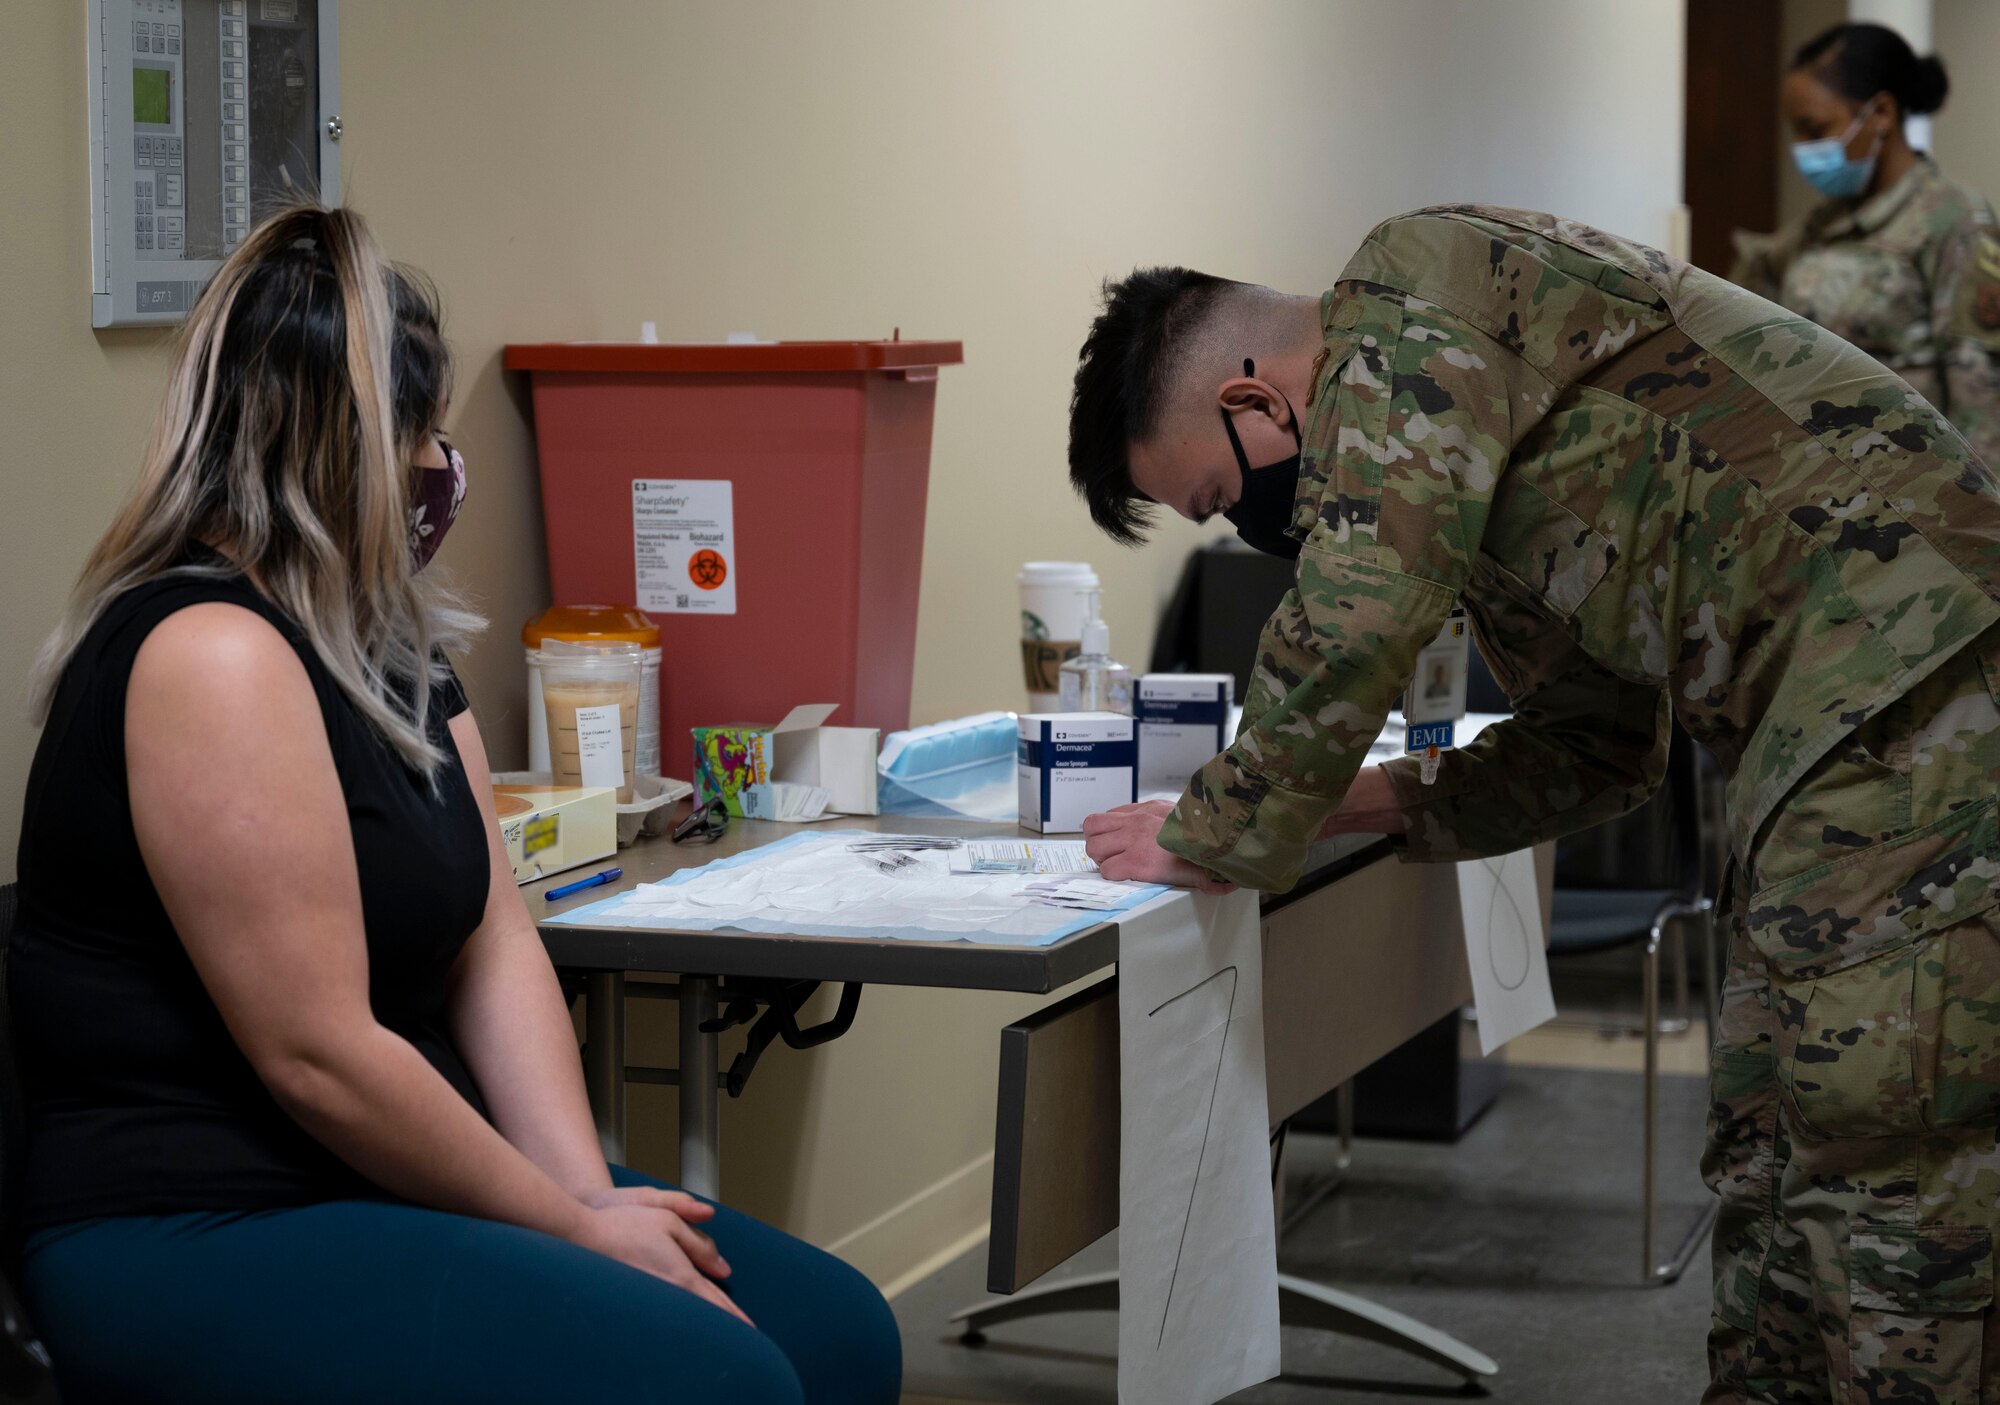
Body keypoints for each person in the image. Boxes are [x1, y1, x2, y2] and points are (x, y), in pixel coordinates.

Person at [1069, 205, 2000, 1402]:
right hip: (1825, 745)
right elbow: (1594, 745)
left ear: (1257, 409)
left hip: (1921, 692)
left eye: (1214, 496)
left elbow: (1353, 615)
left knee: (1883, 1171)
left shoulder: (1415, 297)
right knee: (1774, 1143)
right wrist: (1362, 800)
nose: (1250, 529)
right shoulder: (1485, 460)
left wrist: (1210, 828)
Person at [10, 204, 901, 1405]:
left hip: (379, 1177)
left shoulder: (386, 647)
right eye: (426, 436)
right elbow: (316, 1055)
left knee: (839, 1337)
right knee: (717, 1382)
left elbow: (493, 942)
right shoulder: (205, 655)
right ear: (353, 453)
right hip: (197, 1212)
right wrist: (575, 1233)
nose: (444, 469)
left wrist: (585, 1188)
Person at [1734, 22, 2000, 467]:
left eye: (1815, 128)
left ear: (1881, 112)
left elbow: (1983, 408)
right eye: (1796, 132)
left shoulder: (1957, 225)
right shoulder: (1821, 224)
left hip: (1912, 493)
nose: (1802, 149)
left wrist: (1975, 527)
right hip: (1816, 481)